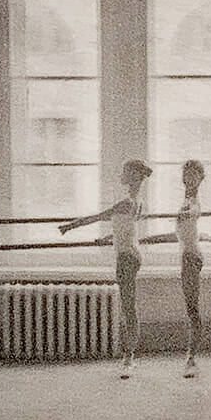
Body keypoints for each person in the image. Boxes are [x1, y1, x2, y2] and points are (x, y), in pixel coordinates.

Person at [59, 159, 152, 378]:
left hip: (127, 258)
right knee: (129, 306)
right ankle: (129, 356)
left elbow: (98, 217)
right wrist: (108, 238)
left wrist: (70, 226)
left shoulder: (126, 202)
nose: (122, 174)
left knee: (129, 308)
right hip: (130, 254)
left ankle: (129, 358)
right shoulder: (137, 202)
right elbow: (126, 231)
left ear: (136, 177)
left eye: (126, 171)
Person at [175, 159, 207, 377]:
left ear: (200, 179)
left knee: (193, 309)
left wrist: (189, 213)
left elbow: (194, 212)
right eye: (187, 174)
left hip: (192, 256)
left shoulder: (193, 201)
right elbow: (183, 232)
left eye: (194, 174)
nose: (189, 178)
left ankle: (192, 358)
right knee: (190, 308)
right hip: (186, 254)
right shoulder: (186, 199)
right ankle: (191, 355)